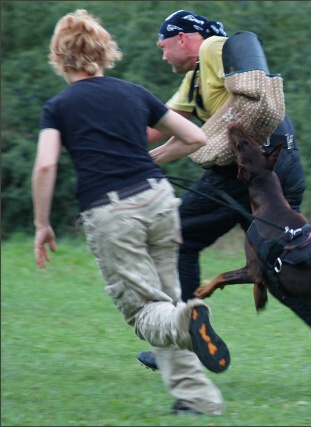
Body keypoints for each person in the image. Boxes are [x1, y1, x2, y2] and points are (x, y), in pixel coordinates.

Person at [136, 9, 311, 398]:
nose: (163, 57)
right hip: (277, 168)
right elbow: (171, 128)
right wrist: (138, 154)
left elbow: (249, 85)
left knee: (179, 235)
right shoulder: (194, 81)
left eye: (163, 47)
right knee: (279, 274)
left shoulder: (213, 48)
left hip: (248, 172)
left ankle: (184, 343)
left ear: (183, 38)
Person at [32, 9, 231, 416]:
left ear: (59, 57)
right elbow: (194, 136)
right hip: (159, 201)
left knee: (146, 312)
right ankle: (199, 400)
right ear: (104, 53)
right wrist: (152, 161)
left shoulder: (59, 106)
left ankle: (184, 322)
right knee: (167, 299)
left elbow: (46, 165)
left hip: (111, 212)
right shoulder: (133, 92)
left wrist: (41, 223)